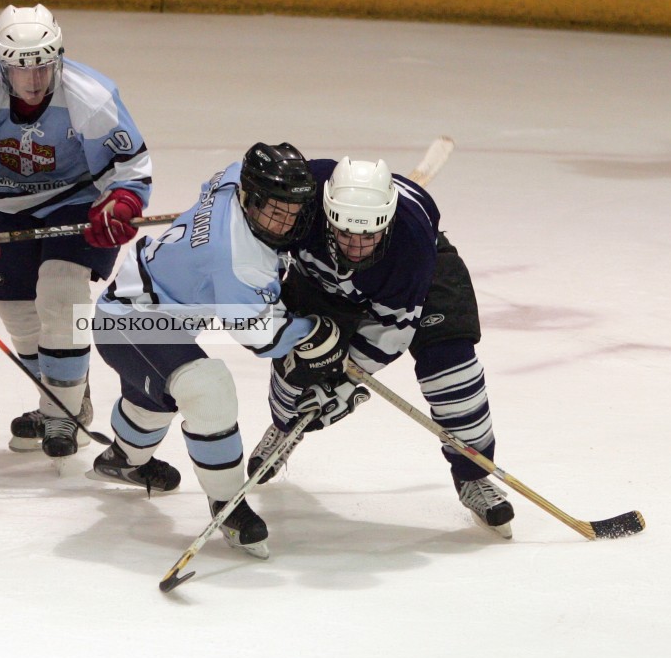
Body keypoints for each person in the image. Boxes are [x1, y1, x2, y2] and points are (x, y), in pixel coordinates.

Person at [87, 143, 353, 559]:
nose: (285, 223)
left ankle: (122, 459)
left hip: (148, 310)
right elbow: (264, 338)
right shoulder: (237, 262)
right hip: (126, 322)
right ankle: (228, 503)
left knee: (153, 404)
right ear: (250, 198)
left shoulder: (233, 178)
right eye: (274, 212)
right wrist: (314, 330)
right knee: (206, 387)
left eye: (292, 211)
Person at [247, 155, 516, 536]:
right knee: (300, 356)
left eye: (369, 236)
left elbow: (392, 330)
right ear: (326, 212)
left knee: (452, 368)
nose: (356, 248)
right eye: (345, 234)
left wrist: (339, 385)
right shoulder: (303, 193)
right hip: (320, 278)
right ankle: (284, 426)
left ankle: (474, 475)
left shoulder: (410, 243)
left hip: (413, 278)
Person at [0, 3, 151, 461]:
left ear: (58, 57)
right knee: (18, 314)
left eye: (44, 67)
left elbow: (130, 167)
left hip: (77, 200)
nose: (34, 81)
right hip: (9, 206)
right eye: (20, 70)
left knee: (60, 294)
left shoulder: (90, 95)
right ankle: (62, 397)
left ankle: (63, 417)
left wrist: (121, 203)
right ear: (0, 66)